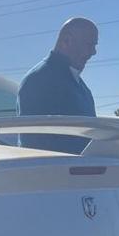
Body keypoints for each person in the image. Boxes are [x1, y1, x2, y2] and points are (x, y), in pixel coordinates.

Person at [17, 17, 99, 151]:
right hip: (58, 171)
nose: (93, 52)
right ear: (66, 41)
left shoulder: (81, 87)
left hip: (83, 170)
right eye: (89, 44)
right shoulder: (38, 80)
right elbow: (34, 147)